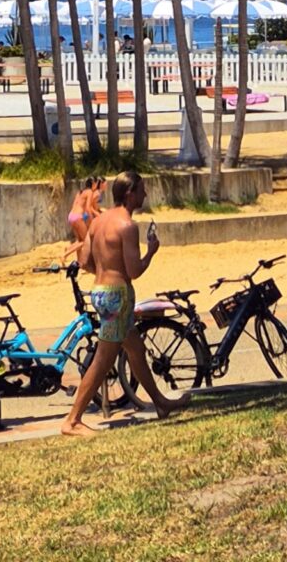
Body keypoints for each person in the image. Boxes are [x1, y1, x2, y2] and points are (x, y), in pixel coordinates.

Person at [61, 172, 179, 434]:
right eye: (141, 190)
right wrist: (151, 252)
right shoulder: (127, 225)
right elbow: (134, 270)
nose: (145, 194)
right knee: (103, 360)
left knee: (135, 349)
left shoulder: (98, 221)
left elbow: (85, 261)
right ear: (130, 193)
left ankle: (160, 403)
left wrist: (106, 270)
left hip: (99, 292)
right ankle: (72, 420)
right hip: (117, 296)